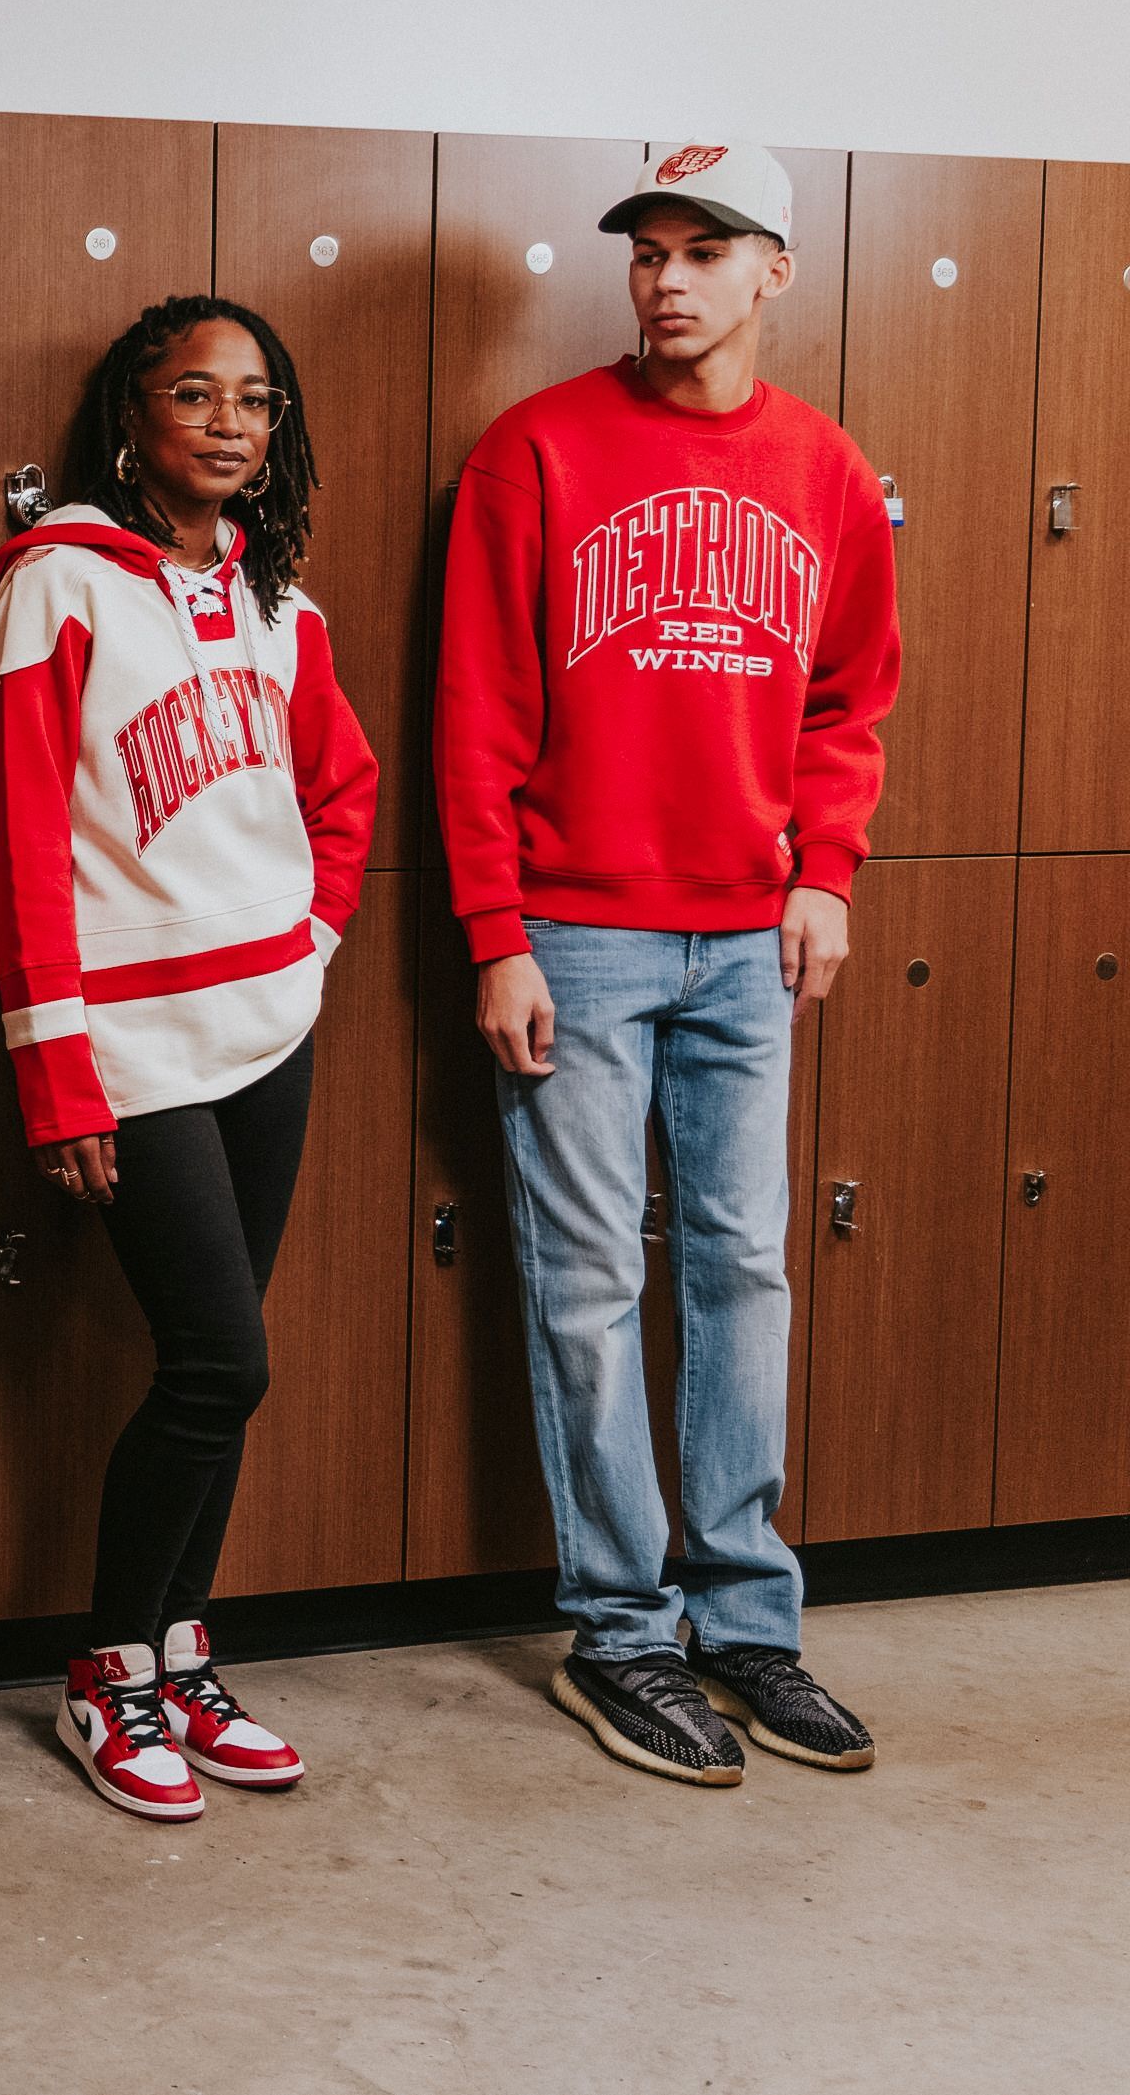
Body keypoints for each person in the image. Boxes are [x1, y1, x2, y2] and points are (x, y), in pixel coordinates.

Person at [436, 141, 900, 1787]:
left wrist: (826, 873)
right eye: (648, 249)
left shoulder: (829, 473)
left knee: (743, 1265)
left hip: (751, 935)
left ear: (776, 271)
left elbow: (850, 700)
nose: (667, 278)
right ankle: (622, 1632)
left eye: (708, 249)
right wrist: (497, 933)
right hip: (576, 926)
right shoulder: (536, 453)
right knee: (586, 1280)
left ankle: (748, 1617)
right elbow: (476, 715)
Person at [0, 296, 378, 1822]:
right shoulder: (59, 588)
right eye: (192, 392)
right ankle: (106, 1672)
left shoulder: (284, 605)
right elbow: (18, 848)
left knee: (227, 1367)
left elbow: (346, 789)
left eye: (256, 400)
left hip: (268, 1021)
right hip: (130, 1039)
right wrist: (53, 1069)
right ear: (128, 415)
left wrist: (311, 936)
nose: (227, 421)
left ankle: (180, 1645)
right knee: (221, 1362)